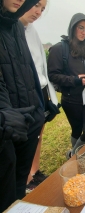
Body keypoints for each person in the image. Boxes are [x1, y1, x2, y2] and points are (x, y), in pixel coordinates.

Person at [0, 0, 45, 211]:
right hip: (7, 127)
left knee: (19, 184)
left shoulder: (17, 26)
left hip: (28, 121)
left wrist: (40, 107)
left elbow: (29, 68)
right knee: (5, 191)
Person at [20, 0, 60, 193]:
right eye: (36, 5)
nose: (38, 12)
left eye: (42, 9)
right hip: (25, 94)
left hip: (41, 90)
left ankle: (34, 172)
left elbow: (41, 68)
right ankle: (25, 179)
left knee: (38, 134)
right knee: (25, 138)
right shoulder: (13, 29)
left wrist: (51, 98)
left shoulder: (32, 31)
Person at [48, 13, 85, 158]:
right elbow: (53, 75)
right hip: (71, 99)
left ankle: (73, 155)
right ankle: (77, 157)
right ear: (72, 28)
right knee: (77, 130)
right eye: (80, 28)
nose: (84, 32)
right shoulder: (59, 49)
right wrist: (76, 80)